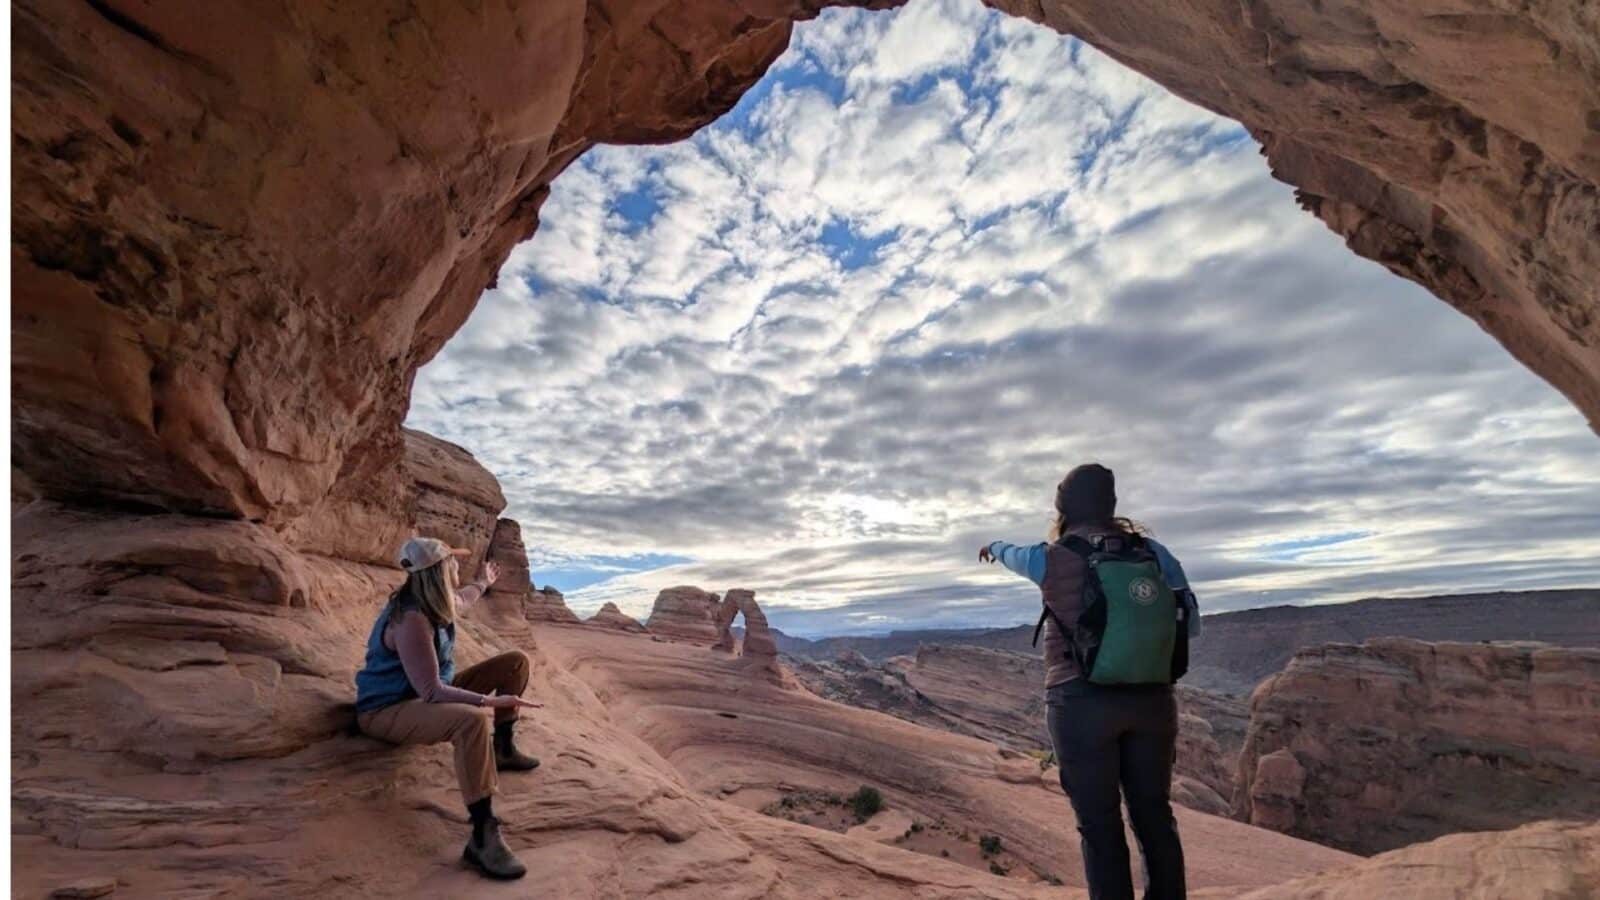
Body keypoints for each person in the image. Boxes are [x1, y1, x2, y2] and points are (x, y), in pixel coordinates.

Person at [979, 463, 1195, 900]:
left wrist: (992, 546)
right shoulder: (1153, 553)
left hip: (1080, 702)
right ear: (1111, 505)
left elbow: (1011, 553)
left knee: (1099, 826)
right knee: (1154, 817)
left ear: (1063, 508)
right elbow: (1188, 625)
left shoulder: (1052, 555)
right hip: (1153, 701)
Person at [354, 536, 544, 880]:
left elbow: (464, 600)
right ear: (439, 571)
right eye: (452, 561)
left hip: (420, 697)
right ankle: (482, 835)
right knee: (471, 721)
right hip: (388, 710)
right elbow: (431, 691)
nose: (458, 565)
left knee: (515, 662)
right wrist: (488, 701)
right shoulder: (411, 619)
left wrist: (484, 582)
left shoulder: (436, 602)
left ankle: (502, 748)